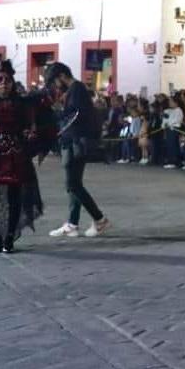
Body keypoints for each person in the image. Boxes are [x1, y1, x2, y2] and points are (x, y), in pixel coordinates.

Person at [0, 60, 50, 252]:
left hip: (14, 158)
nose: (4, 83)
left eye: (7, 80)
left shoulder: (22, 105)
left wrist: (30, 135)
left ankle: (9, 237)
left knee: (15, 197)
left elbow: (29, 127)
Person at [44, 62, 110, 238]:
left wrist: (58, 115)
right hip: (71, 141)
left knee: (72, 184)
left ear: (61, 76)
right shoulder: (74, 90)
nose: (55, 86)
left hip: (75, 142)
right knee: (73, 184)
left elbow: (76, 115)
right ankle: (73, 223)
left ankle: (99, 218)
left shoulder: (77, 89)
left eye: (54, 82)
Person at [162, 96, 184, 169]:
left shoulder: (179, 110)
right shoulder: (167, 110)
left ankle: (174, 162)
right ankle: (170, 160)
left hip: (174, 129)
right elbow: (165, 119)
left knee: (173, 145)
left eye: (171, 101)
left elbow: (177, 120)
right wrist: (164, 124)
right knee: (169, 145)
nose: (169, 103)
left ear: (176, 103)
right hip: (168, 129)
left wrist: (169, 124)